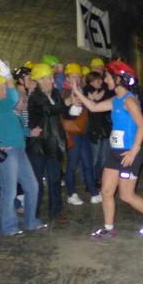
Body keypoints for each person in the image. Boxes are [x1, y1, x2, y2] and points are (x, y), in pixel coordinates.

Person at [70, 60, 143, 239]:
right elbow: (94, 107)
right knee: (106, 192)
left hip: (129, 155)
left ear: (118, 79)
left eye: (108, 77)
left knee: (126, 196)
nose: (105, 80)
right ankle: (108, 228)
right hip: (114, 153)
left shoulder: (129, 101)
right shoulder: (116, 100)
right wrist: (77, 91)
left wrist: (133, 151)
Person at [0, 69, 47, 235]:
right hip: (8, 151)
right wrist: (9, 78)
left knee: (32, 186)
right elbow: (13, 98)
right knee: (9, 190)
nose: (8, 91)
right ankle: (9, 227)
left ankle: (31, 221)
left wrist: (30, 132)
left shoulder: (5, 107)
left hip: (18, 150)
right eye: (6, 87)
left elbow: (16, 127)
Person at [27, 62, 68, 222]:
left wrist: (73, 107)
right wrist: (66, 103)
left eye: (51, 77)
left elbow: (64, 113)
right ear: (39, 80)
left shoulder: (56, 93)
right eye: (48, 78)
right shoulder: (35, 97)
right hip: (38, 145)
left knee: (55, 179)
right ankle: (33, 213)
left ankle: (55, 211)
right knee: (36, 182)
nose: (52, 80)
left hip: (54, 142)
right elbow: (48, 110)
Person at [63, 63, 101, 205]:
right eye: (73, 77)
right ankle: (71, 193)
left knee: (87, 163)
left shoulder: (81, 90)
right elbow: (64, 113)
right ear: (67, 78)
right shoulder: (65, 92)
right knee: (72, 164)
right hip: (72, 133)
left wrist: (90, 101)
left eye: (78, 77)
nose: (77, 80)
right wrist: (71, 103)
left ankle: (94, 192)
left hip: (83, 132)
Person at [84, 71, 112, 186]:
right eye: (97, 80)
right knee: (94, 158)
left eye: (100, 79)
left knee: (103, 157)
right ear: (91, 82)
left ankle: (98, 179)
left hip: (105, 129)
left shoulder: (105, 90)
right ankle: (90, 181)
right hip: (94, 130)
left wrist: (99, 97)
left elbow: (110, 100)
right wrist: (93, 99)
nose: (100, 82)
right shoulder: (87, 90)